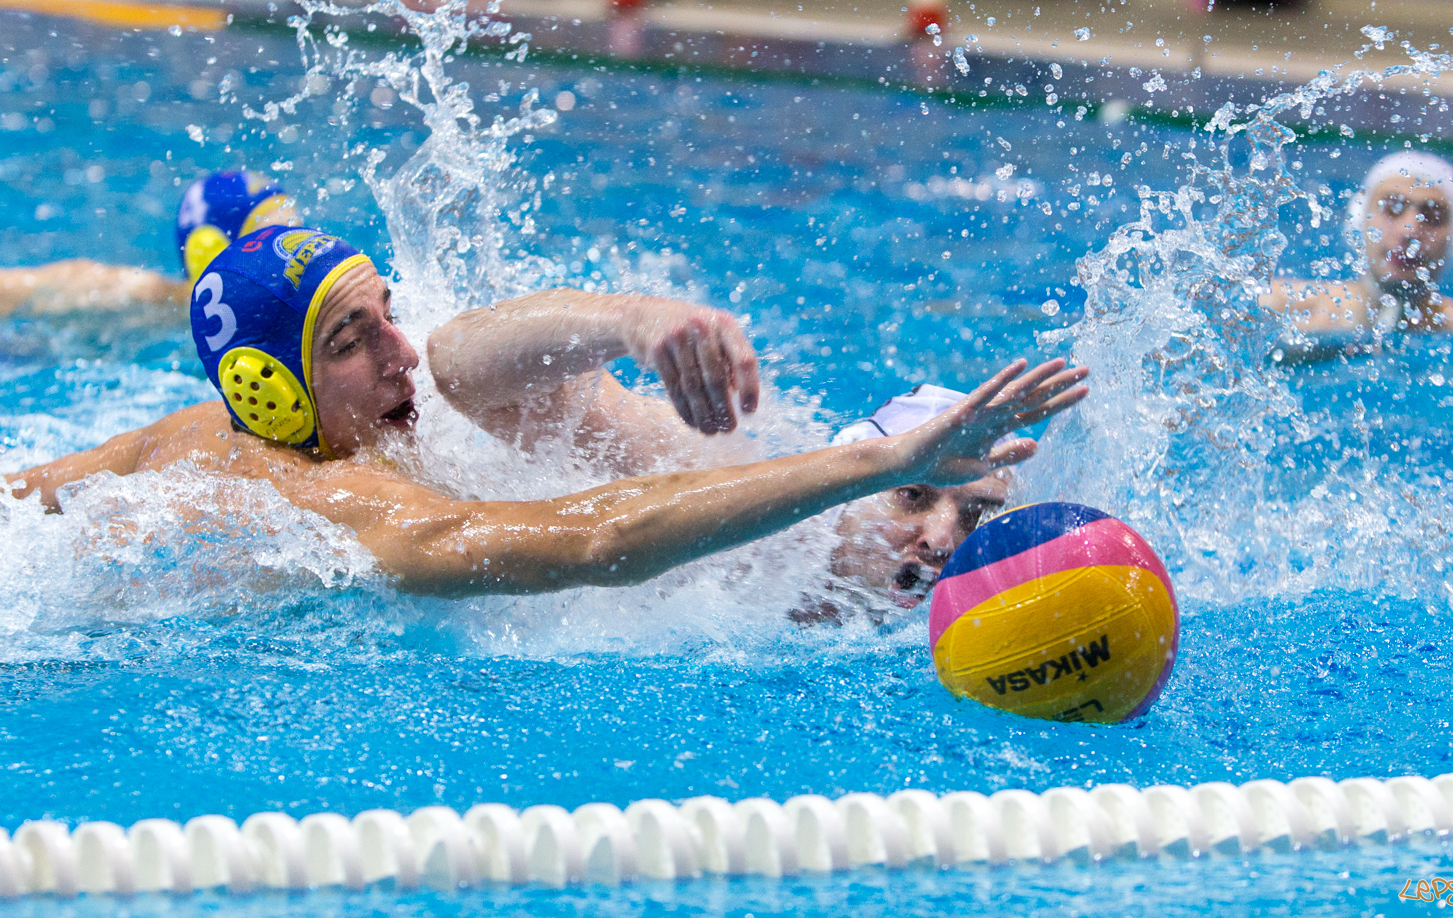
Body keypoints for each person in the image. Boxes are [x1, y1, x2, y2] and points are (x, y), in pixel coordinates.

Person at [7, 225, 1090, 595]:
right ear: (272, 392)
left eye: (387, 309)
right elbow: (602, 537)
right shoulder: (342, 505)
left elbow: (24, 496)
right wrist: (875, 465)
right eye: (352, 339)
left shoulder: (196, 436)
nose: (405, 349)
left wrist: (632, 319)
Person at [790, 384, 1016, 626]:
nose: (941, 542)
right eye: (912, 494)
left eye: (977, 512)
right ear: (841, 497)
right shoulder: (759, 572)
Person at [1261, 151, 1453, 351]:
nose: (1410, 231)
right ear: (1359, 220)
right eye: (1391, 208)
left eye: (1432, 216)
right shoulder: (1281, 306)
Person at [0, 169, 295, 318]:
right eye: (275, 241)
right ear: (209, 253)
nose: (295, 256)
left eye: (298, 235)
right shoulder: (141, 299)